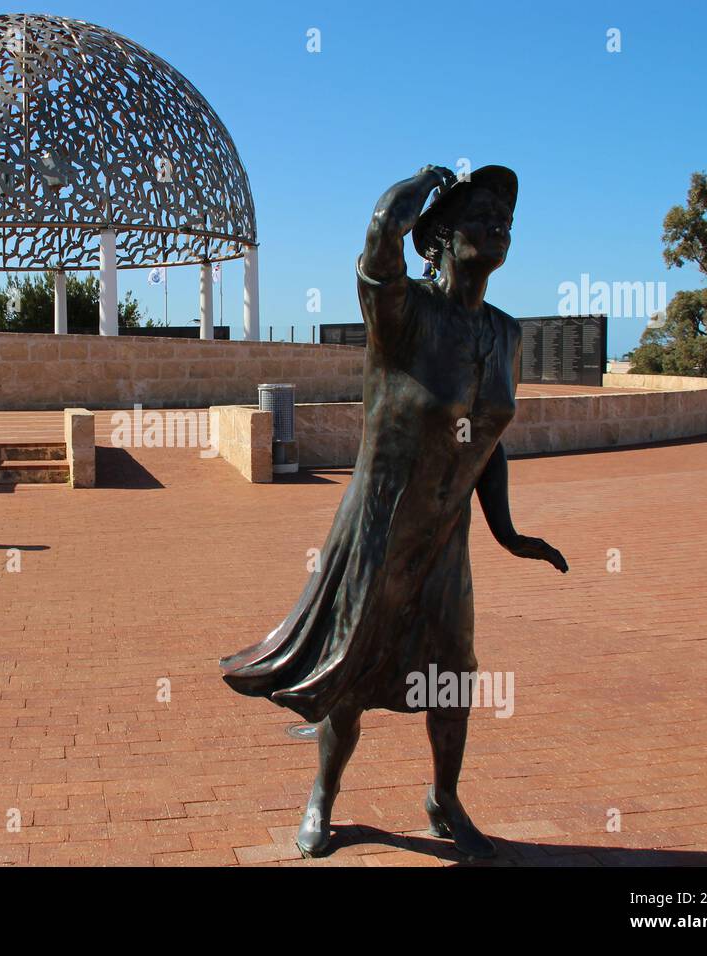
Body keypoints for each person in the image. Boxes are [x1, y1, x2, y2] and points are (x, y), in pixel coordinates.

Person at [221, 164, 568, 859]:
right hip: (379, 529)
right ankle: (323, 795)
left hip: (446, 539)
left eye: (506, 215)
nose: (498, 222)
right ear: (437, 237)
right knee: (352, 667)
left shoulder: (506, 334)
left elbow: (487, 443)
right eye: (479, 212)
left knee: (453, 671)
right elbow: (381, 234)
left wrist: (509, 533)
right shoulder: (402, 314)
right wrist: (425, 182)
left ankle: (444, 799)